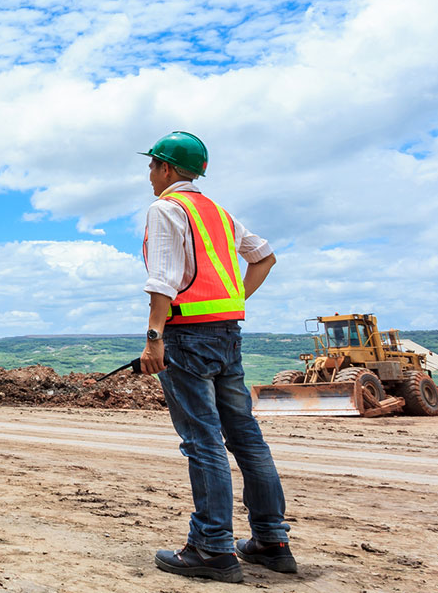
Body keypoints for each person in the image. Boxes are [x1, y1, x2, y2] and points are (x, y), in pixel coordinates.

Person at [137, 131, 296, 583]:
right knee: (246, 438)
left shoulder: (166, 208)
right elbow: (263, 257)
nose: (149, 175)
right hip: (228, 334)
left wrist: (154, 338)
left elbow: (163, 280)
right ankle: (271, 540)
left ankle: (212, 548)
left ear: (166, 168)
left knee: (202, 441)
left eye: (152, 166)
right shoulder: (218, 213)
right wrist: (234, 301)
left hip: (187, 337)